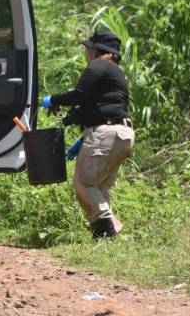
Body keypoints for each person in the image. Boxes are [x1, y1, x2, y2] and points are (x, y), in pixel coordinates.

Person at [41, 30, 135, 239]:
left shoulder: (98, 65)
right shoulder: (115, 73)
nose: (86, 53)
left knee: (84, 183)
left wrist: (53, 100)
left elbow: (79, 95)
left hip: (106, 134)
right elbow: (93, 107)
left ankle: (108, 228)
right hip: (123, 134)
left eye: (89, 49)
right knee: (99, 187)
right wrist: (75, 129)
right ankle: (102, 237)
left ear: (97, 51)